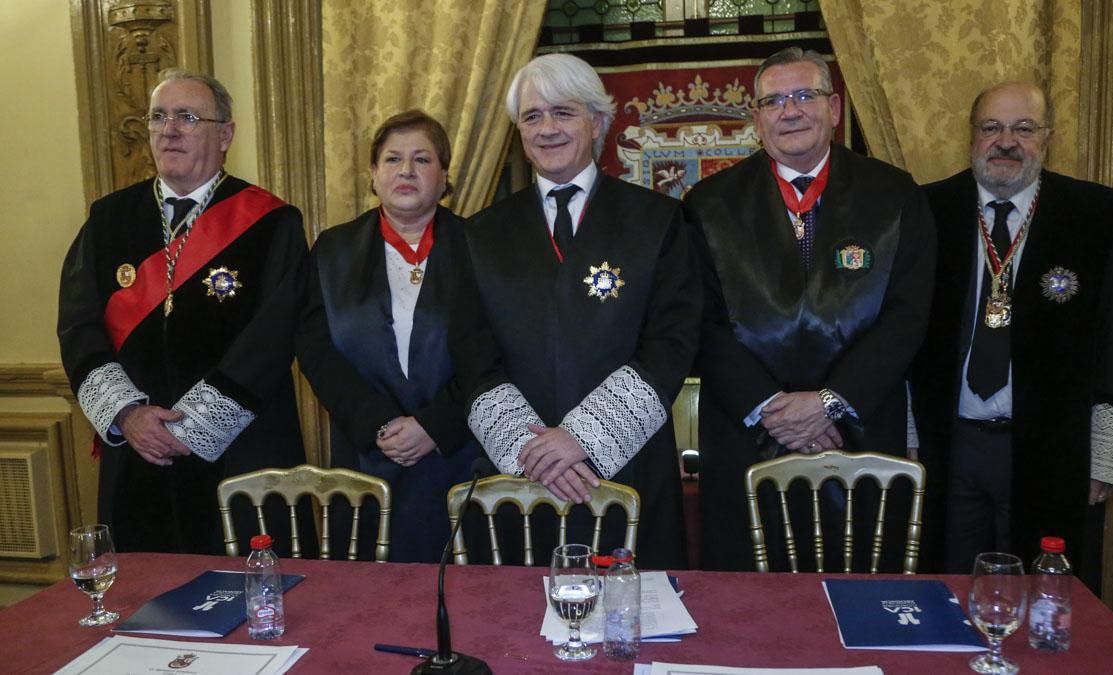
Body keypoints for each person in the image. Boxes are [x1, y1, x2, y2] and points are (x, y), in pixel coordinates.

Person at [683, 47, 936, 572]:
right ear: (756, 117)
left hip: (858, 435)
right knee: (749, 612)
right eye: (772, 100)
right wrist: (776, 409)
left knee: (860, 598)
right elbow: (699, 321)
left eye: (804, 95)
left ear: (835, 107)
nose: (789, 111)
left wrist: (829, 403)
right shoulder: (708, 204)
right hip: (749, 433)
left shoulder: (895, 195)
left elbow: (908, 317)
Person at [451, 53, 700, 570]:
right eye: (532, 116)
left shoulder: (658, 219)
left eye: (563, 113)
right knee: (517, 636)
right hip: (523, 477)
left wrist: (581, 439)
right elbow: (472, 351)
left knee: (634, 631)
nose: (547, 129)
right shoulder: (481, 232)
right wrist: (534, 450)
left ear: (598, 122)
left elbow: (672, 342)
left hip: (627, 465)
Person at [910, 81, 1113, 589]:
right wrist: (907, 434)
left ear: (1048, 138)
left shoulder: (1097, 219)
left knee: (1045, 602)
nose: (1006, 142)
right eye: (991, 128)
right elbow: (903, 335)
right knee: (945, 590)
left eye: (1024, 129)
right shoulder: (927, 212)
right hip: (947, 446)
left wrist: (1108, 456)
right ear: (971, 137)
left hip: (1054, 449)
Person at [57, 69, 309, 554]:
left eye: (187, 117)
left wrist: (194, 426)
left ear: (226, 134)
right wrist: (128, 415)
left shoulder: (272, 222)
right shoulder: (108, 219)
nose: (169, 130)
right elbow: (78, 326)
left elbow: (272, 336)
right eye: (158, 117)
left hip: (241, 451)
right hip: (137, 450)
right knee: (137, 599)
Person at [296, 110, 479, 562]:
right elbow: (315, 349)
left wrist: (434, 426)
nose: (406, 171)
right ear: (373, 175)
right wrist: (379, 425)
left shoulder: (482, 245)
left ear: (444, 177)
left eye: (422, 160)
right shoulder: (332, 251)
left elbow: (496, 351)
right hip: (366, 456)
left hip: (458, 454)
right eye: (393, 159)